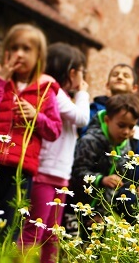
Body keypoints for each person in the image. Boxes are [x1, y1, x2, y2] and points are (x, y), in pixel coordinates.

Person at [0, 24, 62, 245]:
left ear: (39, 56)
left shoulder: (46, 89)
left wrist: (36, 117)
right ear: (5, 51)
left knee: (9, 226)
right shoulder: (0, 83)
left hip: (20, 169)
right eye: (14, 48)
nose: (19, 54)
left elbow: (54, 130)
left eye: (26, 49)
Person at [18, 42, 89, 262]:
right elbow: (82, 118)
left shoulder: (62, 97)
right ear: (73, 72)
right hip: (44, 173)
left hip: (60, 175)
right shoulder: (53, 92)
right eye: (82, 72)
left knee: (52, 234)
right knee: (34, 230)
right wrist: (84, 93)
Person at [68, 93, 139, 241]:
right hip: (76, 206)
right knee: (71, 248)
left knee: (94, 250)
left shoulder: (125, 146)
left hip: (100, 212)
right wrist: (101, 179)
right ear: (108, 120)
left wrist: (101, 214)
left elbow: (115, 184)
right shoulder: (90, 141)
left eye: (131, 127)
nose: (126, 132)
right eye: (121, 125)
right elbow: (76, 172)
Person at [80, 63, 139, 162]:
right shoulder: (93, 111)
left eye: (126, 76)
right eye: (115, 75)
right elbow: (84, 138)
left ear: (135, 88)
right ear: (107, 85)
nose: (120, 77)